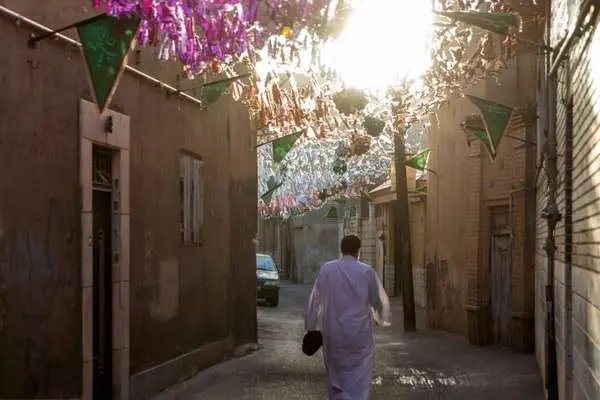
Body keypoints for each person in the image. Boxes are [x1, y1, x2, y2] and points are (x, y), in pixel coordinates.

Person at [305, 234, 391, 400]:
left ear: (341, 249)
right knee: (360, 378)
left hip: (334, 335)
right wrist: (380, 318)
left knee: (336, 378)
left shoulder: (327, 270)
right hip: (360, 337)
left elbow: (314, 300)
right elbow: (377, 301)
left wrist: (311, 327)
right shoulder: (366, 272)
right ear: (358, 251)